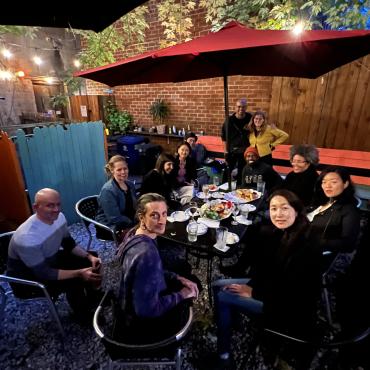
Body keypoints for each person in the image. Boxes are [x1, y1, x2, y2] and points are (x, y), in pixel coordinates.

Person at [213, 189, 321, 369]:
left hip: (286, 307)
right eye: (274, 208)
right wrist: (253, 285)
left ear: (296, 209)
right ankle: (233, 322)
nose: (279, 214)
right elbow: (268, 270)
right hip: (272, 289)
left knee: (223, 296)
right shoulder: (283, 231)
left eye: (284, 208)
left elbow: (293, 291)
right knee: (217, 285)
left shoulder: (306, 243)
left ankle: (223, 356)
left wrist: (254, 291)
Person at [7, 188, 102, 322]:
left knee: (90, 260)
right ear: (36, 207)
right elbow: (44, 273)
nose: (56, 209)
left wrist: (89, 257)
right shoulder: (27, 237)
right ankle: (83, 316)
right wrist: (79, 272)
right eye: (50, 205)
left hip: (50, 259)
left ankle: (94, 297)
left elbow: (69, 244)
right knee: (74, 279)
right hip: (28, 279)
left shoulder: (59, 217)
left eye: (58, 204)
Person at [115, 193, 199, 343]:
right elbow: (148, 310)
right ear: (142, 217)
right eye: (154, 215)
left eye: (164, 214)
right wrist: (183, 294)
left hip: (128, 304)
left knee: (184, 270)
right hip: (142, 324)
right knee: (195, 283)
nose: (162, 221)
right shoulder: (147, 254)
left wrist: (177, 277)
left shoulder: (133, 233)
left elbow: (149, 272)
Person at [308, 167, 360, 254]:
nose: (327, 185)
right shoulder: (321, 201)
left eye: (334, 182)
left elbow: (348, 244)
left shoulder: (349, 210)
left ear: (345, 184)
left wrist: (318, 242)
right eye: (324, 182)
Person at [96, 155, 137, 236]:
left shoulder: (130, 185)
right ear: (112, 171)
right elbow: (114, 218)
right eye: (119, 170)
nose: (123, 172)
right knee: (143, 235)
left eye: (125, 169)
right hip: (110, 226)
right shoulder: (108, 190)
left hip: (128, 220)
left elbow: (135, 206)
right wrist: (134, 223)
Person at [221, 98, 252, 184]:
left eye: (243, 107)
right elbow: (224, 137)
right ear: (235, 107)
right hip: (232, 149)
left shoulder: (250, 118)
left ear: (246, 107)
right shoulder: (229, 121)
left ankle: (240, 187)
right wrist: (225, 150)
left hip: (245, 149)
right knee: (228, 169)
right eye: (239, 107)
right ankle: (223, 186)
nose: (241, 109)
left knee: (242, 170)